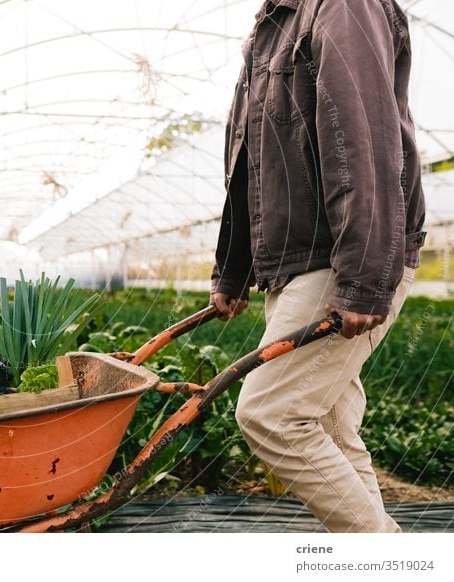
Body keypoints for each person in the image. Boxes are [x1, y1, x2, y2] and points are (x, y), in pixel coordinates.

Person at [210, 0, 426, 533]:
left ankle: (387, 560)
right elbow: (248, 157)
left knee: (271, 414)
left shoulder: (342, 6)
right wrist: (233, 271)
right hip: (297, 260)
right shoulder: (273, 23)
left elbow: (364, 136)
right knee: (326, 422)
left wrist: (363, 277)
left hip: (337, 256)